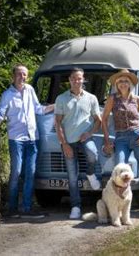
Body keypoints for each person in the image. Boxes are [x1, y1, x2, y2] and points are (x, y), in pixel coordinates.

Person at [0, 64, 54, 218]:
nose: (22, 77)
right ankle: (11, 208)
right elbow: (0, 115)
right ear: (13, 76)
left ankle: (26, 207)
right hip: (16, 140)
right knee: (16, 172)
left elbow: (38, 109)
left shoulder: (30, 90)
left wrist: (58, 105)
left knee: (30, 173)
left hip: (33, 139)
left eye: (24, 74)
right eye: (19, 74)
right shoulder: (7, 95)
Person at [102, 69, 139, 219]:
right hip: (121, 138)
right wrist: (107, 140)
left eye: (126, 81)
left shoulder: (137, 99)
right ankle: (118, 209)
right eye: (120, 81)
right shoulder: (112, 99)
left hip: (138, 135)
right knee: (119, 169)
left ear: (130, 83)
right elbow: (104, 119)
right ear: (117, 85)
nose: (123, 83)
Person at [55, 68, 102, 219]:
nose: (77, 81)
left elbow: (98, 120)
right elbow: (58, 123)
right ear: (69, 80)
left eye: (79, 78)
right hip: (68, 142)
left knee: (93, 154)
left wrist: (89, 133)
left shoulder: (91, 98)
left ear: (83, 80)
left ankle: (90, 173)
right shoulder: (61, 99)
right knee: (72, 177)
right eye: (74, 78)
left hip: (85, 138)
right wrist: (64, 144)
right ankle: (75, 207)